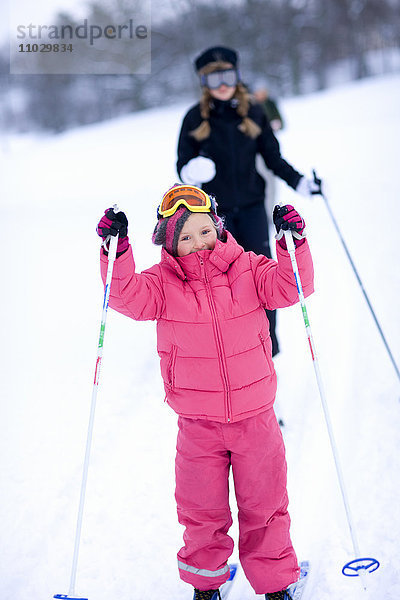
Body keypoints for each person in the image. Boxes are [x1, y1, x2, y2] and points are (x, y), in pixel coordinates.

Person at [96, 183, 314, 600]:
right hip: (197, 426)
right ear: (169, 243)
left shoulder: (249, 268)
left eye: (203, 231)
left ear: (218, 226)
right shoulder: (160, 284)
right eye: (184, 237)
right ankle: (205, 584)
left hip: (256, 420)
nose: (197, 243)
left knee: (265, 508)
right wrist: (116, 250)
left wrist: (293, 244)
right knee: (202, 514)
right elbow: (124, 295)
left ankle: (275, 585)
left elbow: (292, 287)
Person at [176, 46, 322, 357]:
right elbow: (182, 163)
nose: (222, 84)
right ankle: (231, 344)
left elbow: (273, 158)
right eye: (214, 79)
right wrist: (191, 170)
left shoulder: (254, 111)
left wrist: (301, 183)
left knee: (262, 275)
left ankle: (268, 342)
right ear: (204, 82)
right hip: (215, 218)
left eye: (227, 76)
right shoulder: (193, 118)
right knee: (223, 280)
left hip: (253, 210)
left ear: (238, 75)